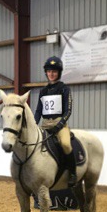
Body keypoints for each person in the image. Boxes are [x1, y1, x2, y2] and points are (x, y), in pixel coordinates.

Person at [34, 56, 76, 187]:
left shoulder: (64, 89)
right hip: (45, 124)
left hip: (60, 123)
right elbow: (38, 111)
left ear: (59, 73)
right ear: (46, 73)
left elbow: (68, 110)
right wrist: (34, 125)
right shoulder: (43, 91)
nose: (51, 74)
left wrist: (58, 126)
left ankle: (72, 173)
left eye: (54, 72)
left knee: (65, 144)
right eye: (49, 71)